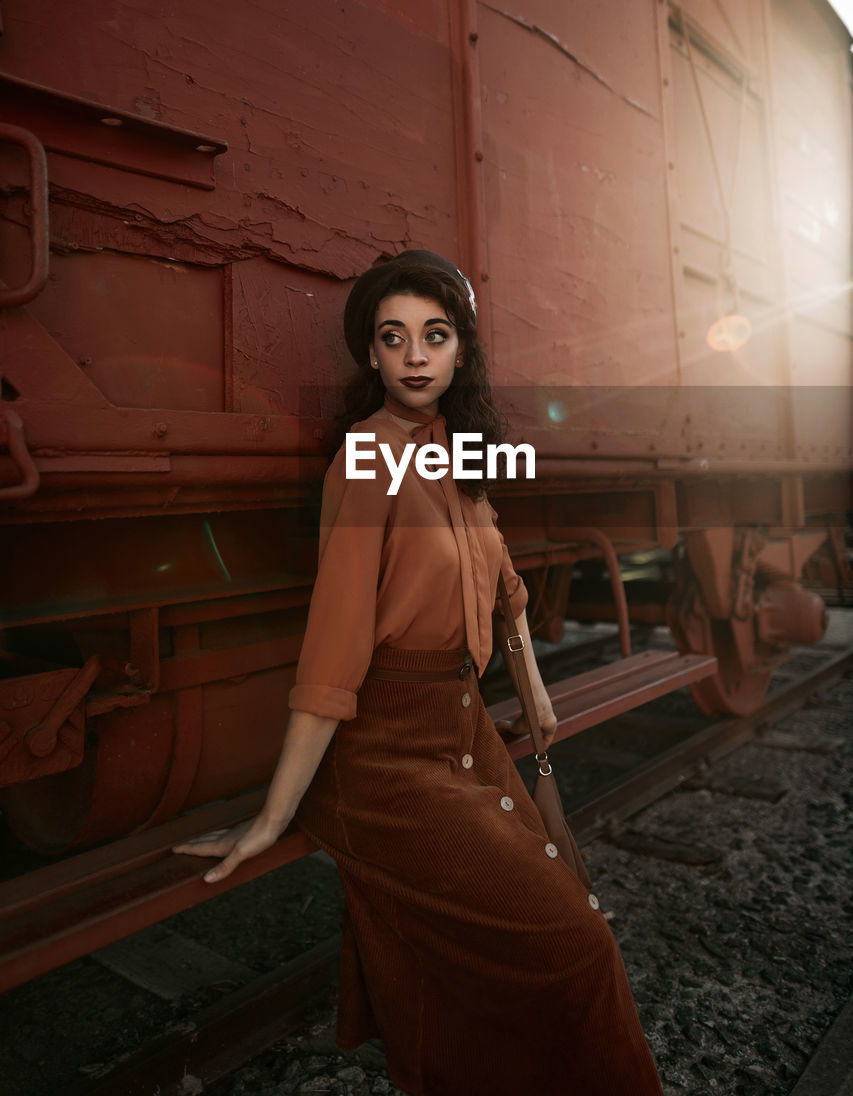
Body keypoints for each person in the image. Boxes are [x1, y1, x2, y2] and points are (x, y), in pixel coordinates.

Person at [174, 249, 663, 1096]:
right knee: (574, 944)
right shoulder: (365, 462)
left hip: (463, 730)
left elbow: (507, 585)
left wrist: (536, 698)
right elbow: (331, 655)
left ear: (460, 352)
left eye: (433, 336)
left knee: (540, 933)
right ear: (369, 354)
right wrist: (272, 816)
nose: (412, 355)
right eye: (391, 336)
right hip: (385, 760)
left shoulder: (457, 452)